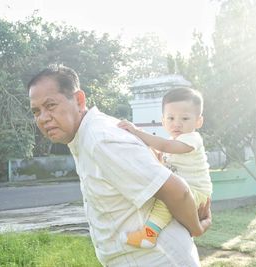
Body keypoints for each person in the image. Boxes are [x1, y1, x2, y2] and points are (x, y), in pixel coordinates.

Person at [28, 64, 211, 267]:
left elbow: (177, 190)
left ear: (79, 100)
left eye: (51, 105)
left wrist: (197, 229)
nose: (43, 118)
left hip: (157, 260)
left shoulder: (102, 139)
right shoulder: (88, 137)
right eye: (36, 111)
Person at [117, 88, 212, 249]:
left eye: (185, 118)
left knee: (167, 199)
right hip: (188, 190)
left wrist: (136, 131)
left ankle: (148, 235)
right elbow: (163, 157)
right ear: (163, 121)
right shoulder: (174, 141)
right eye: (171, 118)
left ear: (198, 121)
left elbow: (165, 146)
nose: (177, 123)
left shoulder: (192, 139)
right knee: (167, 196)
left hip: (197, 192)